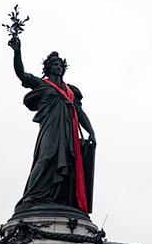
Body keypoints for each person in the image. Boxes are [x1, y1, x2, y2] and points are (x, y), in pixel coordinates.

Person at [8, 37, 96, 214]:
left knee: (68, 162)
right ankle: (32, 196)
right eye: (55, 65)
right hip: (51, 128)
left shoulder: (71, 91)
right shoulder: (42, 84)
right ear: (48, 68)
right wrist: (17, 52)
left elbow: (79, 113)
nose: (58, 67)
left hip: (68, 131)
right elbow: (21, 74)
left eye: (60, 65)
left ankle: (60, 198)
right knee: (47, 156)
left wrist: (91, 131)